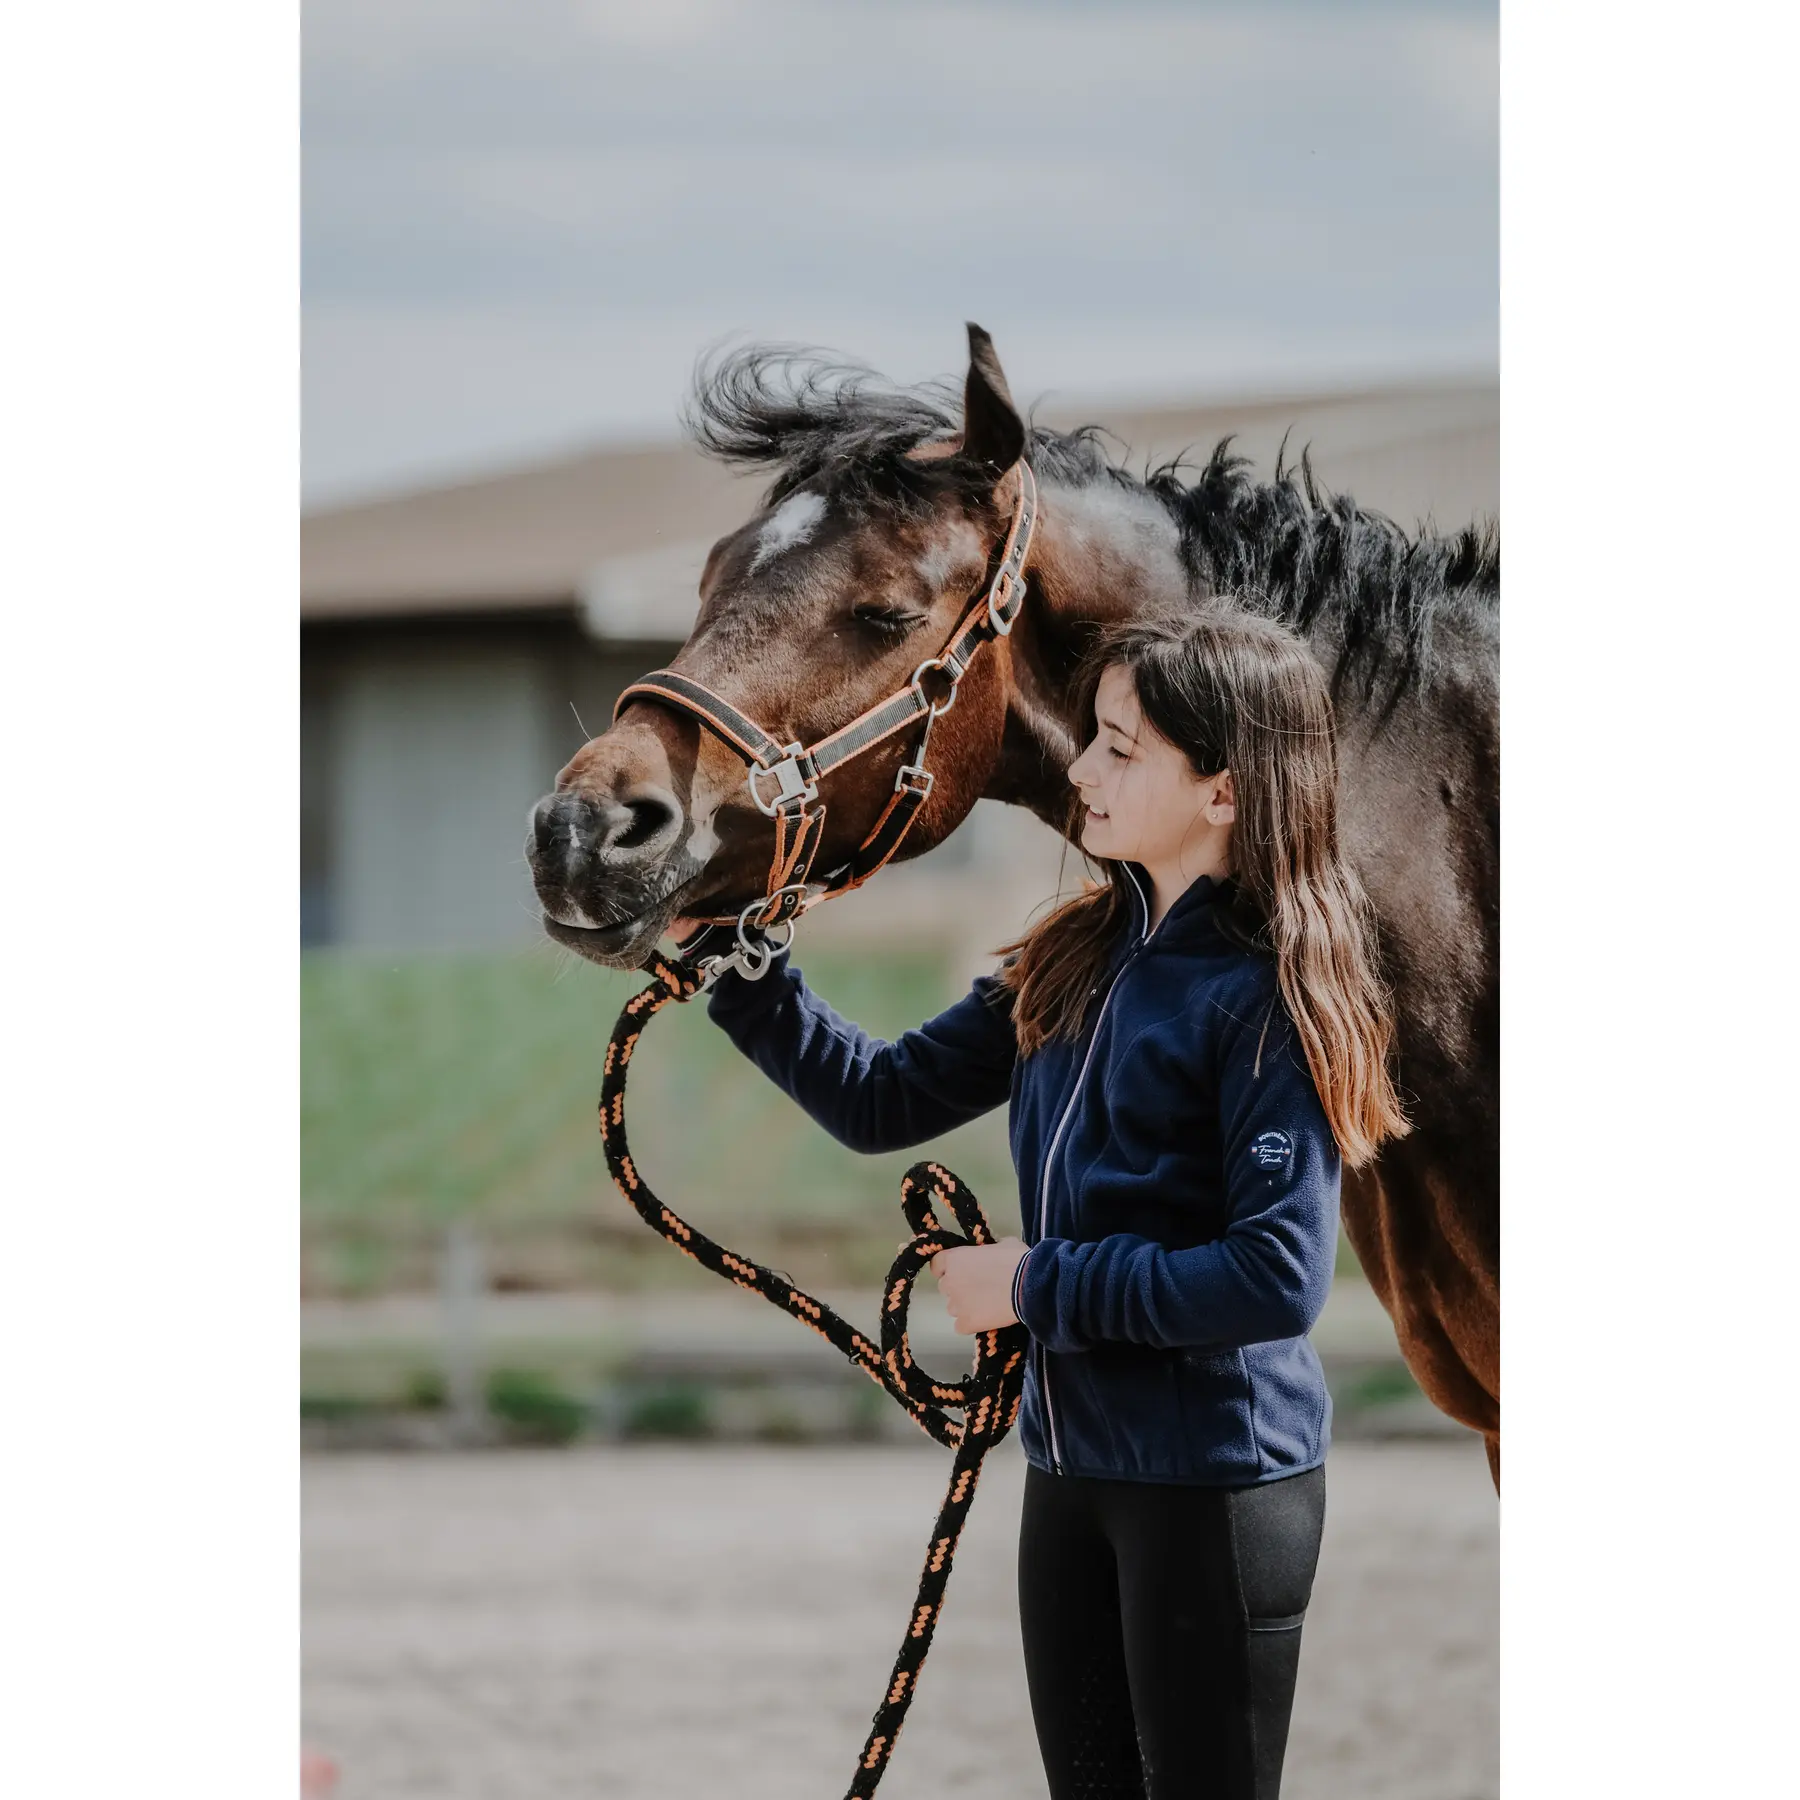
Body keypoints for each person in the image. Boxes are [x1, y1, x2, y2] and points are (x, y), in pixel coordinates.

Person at [673, 607, 1410, 1800]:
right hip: (1069, 1478)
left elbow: (1274, 1279)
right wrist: (741, 970)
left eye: (1120, 748)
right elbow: (881, 1097)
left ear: (1223, 791)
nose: (1080, 770)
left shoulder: (1271, 996)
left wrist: (1033, 1283)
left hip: (1217, 1488)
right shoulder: (1069, 958)